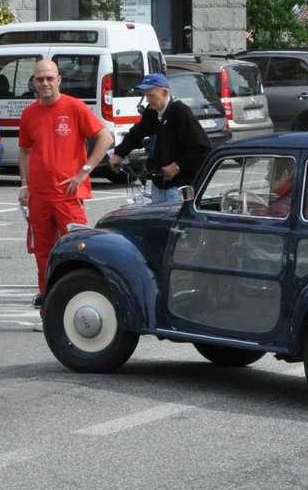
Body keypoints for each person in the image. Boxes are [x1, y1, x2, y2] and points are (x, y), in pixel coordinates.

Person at [18, 59, 114, 305]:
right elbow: (25, 151)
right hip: (39, 196)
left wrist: (84, 171)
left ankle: (79, 302)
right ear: (34, 82)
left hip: (69, 195)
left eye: (50, 78)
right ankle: (48, 309)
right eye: (40, 79)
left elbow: (105, 138)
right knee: (43, 255)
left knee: (78, 251)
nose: (45, 83)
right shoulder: (29, 113)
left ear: (59, 80)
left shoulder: (74, 107)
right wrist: (24, 185)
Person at [104, 72, 210, 204]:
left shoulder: (180, 112)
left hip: (179, 186)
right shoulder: (152, 111)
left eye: (151, 96)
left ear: (165, 92)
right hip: (158, 183)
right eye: (146, 96)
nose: (148, 100)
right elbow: (137, 133)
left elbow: (203, 148)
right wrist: (119, 153)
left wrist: (178, 166)